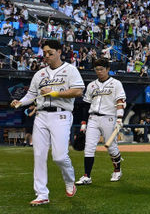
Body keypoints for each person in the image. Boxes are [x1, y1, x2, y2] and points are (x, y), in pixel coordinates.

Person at [10, 39, 85, 206]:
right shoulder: (39, 74)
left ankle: (69, 180)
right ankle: (42, 194)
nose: (47, 56)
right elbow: (31, 95)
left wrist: (55, 93)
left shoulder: (70, 70)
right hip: (41, 116)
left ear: (59, 52)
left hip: (61, 115)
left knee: (59, 157)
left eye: (50, 53)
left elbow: (79, 91)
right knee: (39, 155)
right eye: (44, 53)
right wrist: (20, 102)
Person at [76, 57, 126, 185]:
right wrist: (83, 123)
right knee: (89, 147)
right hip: (93, 118)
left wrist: (119, 118)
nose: (99, 72)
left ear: (108, 69)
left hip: (109, 117)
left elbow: (120, 101)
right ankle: (87, 176)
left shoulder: (116, 84)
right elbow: (86, 105)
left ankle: (117, 170)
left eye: (101, 69)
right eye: (97, 69)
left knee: (112, 147)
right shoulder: (92, 85)